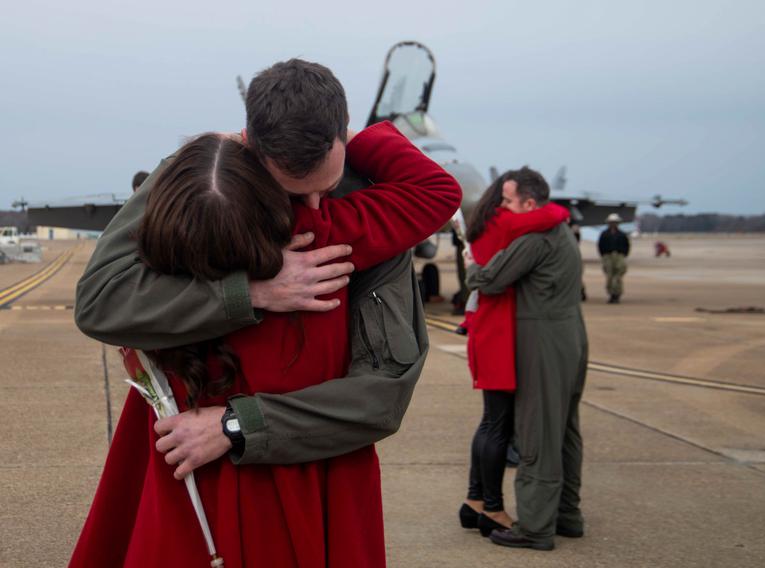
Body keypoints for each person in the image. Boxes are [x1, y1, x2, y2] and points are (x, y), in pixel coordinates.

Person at [70, 59, 461, 566]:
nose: (319, 206)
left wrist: (235, 425)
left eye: (329, 181)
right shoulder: (203, 201)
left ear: (342, 136)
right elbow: (101, 300)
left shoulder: (359, 218)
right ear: (251, 147)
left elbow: (383, 392)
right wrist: (248, 292)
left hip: (299, 467)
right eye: (297, 192)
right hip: (206, 461)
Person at [466, 167, 587, 551]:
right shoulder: (562, 232)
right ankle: (567, 514)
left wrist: (472, 264)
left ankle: (535, 527)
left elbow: (487, 280)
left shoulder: (535, 239)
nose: (501, 208)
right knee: (565, 430)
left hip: (543, 341)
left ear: (529, 203)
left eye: (507, 201)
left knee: (537, 434)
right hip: (571, 335)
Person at [598, 212, 629, 303]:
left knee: (618, 276)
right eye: (612, 222)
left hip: (619, 256)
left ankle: (617, 294)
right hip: (608, 256)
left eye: (615, 222)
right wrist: (604, 256)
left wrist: (623, 254)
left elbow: (626, 246)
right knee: (609, 276)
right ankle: (611, 294)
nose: (613, 224)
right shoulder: (604, 234)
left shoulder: (622, 234)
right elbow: (600, 246)